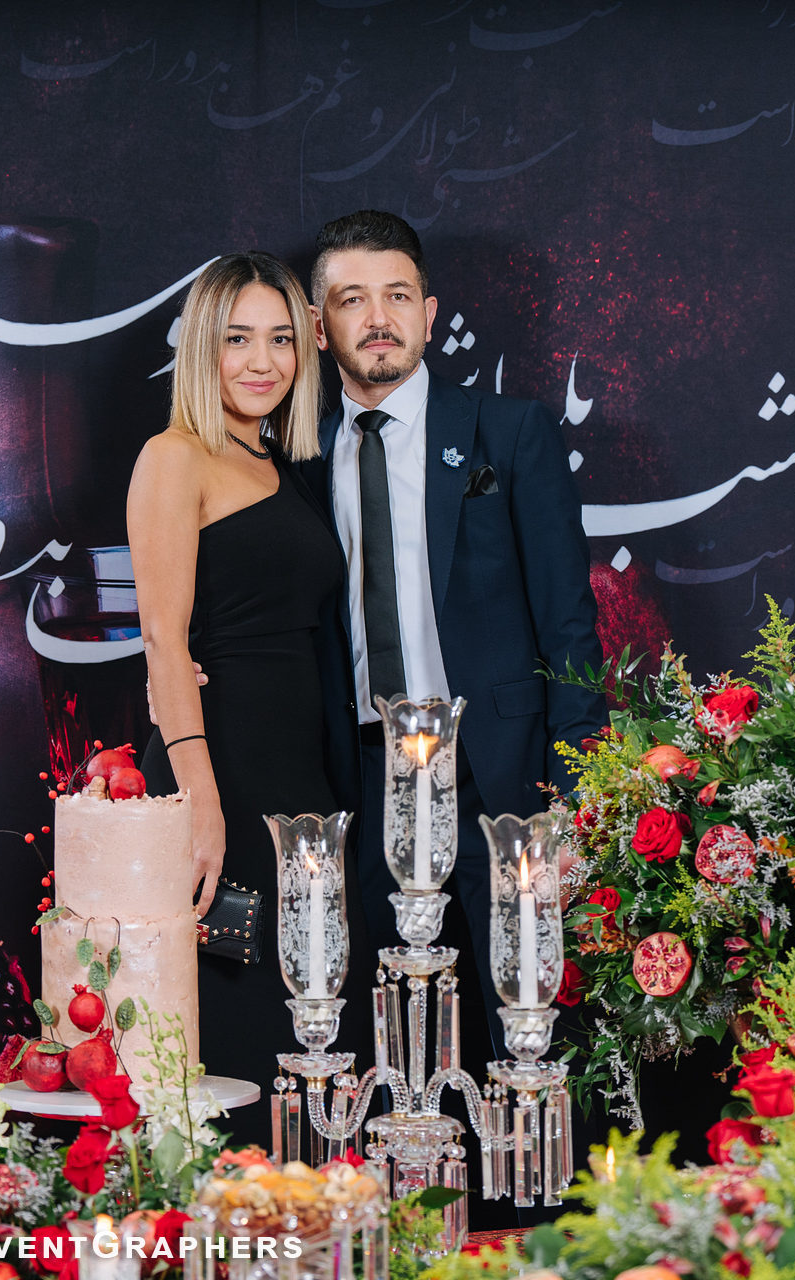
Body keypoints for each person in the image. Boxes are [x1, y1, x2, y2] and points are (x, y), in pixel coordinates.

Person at [300, 210, 604, 1066]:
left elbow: (569, 622)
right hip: (362, 780)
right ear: (320, 328)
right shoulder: (296, 457)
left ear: (430, 315)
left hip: (498, 776)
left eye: (398, 296)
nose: (379, 319)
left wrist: (580, 790)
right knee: (382, 1043)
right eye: (353, 300)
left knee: (526, 1037)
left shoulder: (510, 432)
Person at [129, 251, 343, 1144]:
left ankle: (297, 1208)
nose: (262, 361)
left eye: (282, 340)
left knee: (306, 1034)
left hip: (300, 780)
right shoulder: (174, 457)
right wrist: (201, 804)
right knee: (232, 1041)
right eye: (238, 339)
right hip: (222, 773)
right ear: (202, 348)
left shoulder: (282, 465)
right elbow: (164, 641)